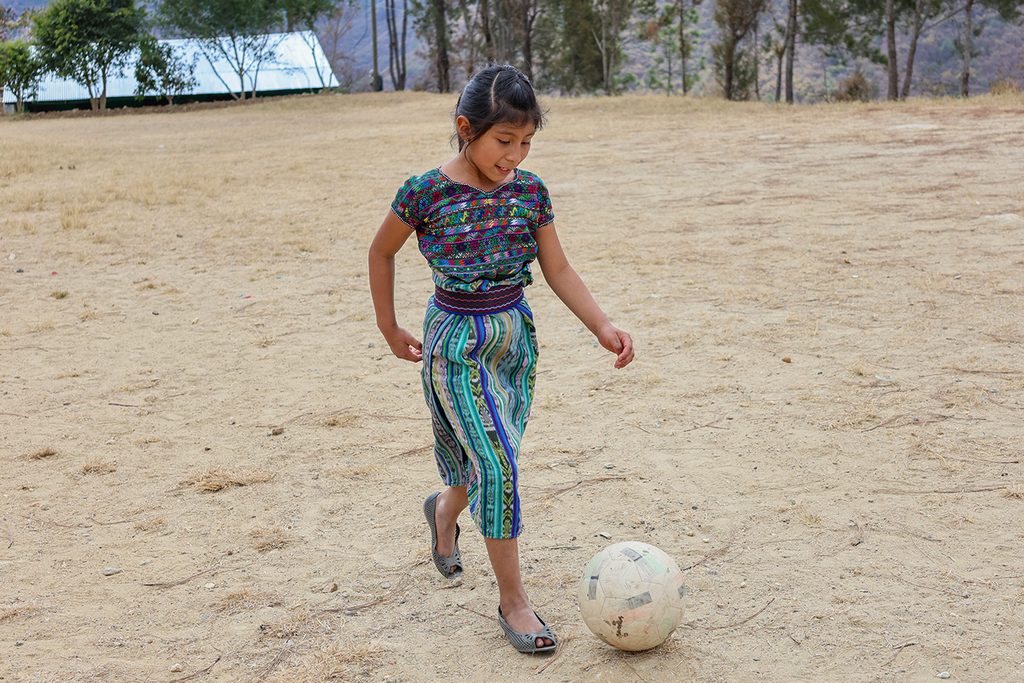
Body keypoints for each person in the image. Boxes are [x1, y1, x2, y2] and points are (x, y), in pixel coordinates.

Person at [367, 64, 634, 655]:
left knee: (493, 460)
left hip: (513, 342)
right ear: (466, 128)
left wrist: (602, 324)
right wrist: (388, 326)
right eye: (503, 141)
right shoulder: (425, 192)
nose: (514, 156)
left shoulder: (530, 192)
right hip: (455, 343)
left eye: (526, 143)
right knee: (499, 467)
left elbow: (556, 268)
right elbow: (380, 251)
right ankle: (514, 603)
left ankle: (443, 508)